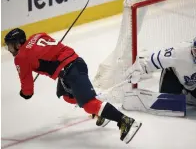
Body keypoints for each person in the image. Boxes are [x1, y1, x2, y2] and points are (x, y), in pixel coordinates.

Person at [4, 28, 142, 144]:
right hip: (72, 65)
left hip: (70, 70)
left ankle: (125, 121)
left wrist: (24, 93)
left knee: (88, 104)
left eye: (10, 46)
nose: (10, 50)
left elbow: (28, 90)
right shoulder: (37, 35)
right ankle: (100, 110)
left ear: (17, 44)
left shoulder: (21, 57)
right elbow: (47, 51)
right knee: (67, 96)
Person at [125, 33, 196, 121]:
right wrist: (142, 67)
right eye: (195, 50)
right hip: (175, 78)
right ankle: (183, 94)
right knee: (168, 104)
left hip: (195, 84)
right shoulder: (180, 51)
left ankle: (188, 96)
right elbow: (158, 58)